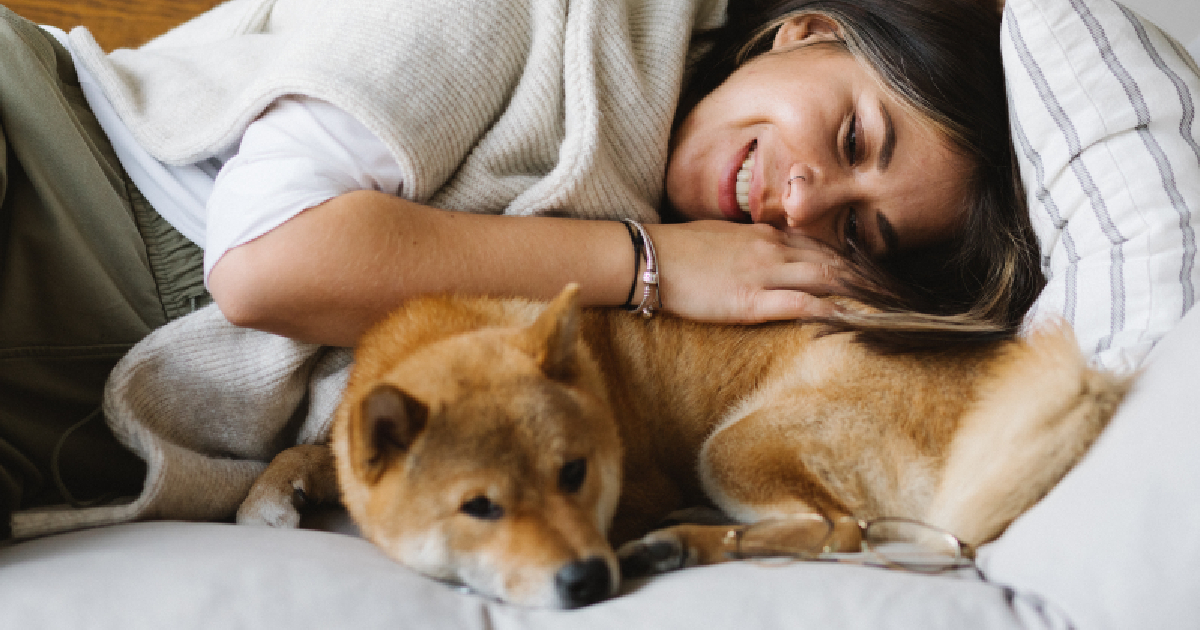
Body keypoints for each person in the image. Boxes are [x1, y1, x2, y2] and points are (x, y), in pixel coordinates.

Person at [0, 0, 1038, 535]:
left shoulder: (702, 314)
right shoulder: (550, 24)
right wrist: (649, 263)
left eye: (857, 234)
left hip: (79, 417)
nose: (804, 203)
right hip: (58, 177)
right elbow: (268, 259)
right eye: (852, 137)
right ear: (807, 32)